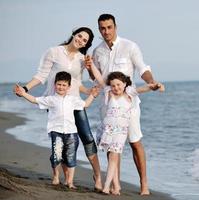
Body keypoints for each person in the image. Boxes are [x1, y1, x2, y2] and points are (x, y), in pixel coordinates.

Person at [14, 27, 104, 191]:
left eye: (85, 40)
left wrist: (90, 91)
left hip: (74, 102)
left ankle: (97, 175)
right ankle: (67, 178)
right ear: (74, 34)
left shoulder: (82, 59)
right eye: (80, 36)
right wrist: (26, 89)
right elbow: (41, 76)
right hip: (55, 102)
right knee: (62, 138)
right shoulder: (53, 52)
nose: (81, 40)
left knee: (87, 137)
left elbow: (77, 83)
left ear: (86, 44)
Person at [85, 14, 165, 195]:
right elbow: (95, 77)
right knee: (112, 144)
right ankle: (115, 185)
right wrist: (89, 67)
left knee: (135, 142)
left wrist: (151, 82)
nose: (106, 31)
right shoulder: (98, 51)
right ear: (99, 29)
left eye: (109, 27)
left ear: (115, 27)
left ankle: (144, 184)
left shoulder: (130, 46)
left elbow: (143, 69)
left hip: (129, 104)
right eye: (102, 28)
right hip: (108, 105)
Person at [14, 71, 100, 189]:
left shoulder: (72, 99)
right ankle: (56, 176)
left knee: (70, 156)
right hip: (56, 131)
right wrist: (23, 93)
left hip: (71, 133)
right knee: (57, 155)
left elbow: (85, 105)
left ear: (69, 87)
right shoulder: (51, 99)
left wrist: (92, 95)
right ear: (55, 85)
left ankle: (70, 182)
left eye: (64, 85)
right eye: (59, 84)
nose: (61, 87)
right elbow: (35, 100)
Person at [96, 71, 163, 195]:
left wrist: (155, 86)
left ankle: (106, 186)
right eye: (113, 85)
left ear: (125, 84)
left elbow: (144, 89)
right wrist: (91, 65)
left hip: (120, 131)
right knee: (112, 155)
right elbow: (99, 78)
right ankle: (116, 187)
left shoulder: (129, 94)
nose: (116, 87)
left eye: (118, 85)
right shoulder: (109, 93)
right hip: (108, 129)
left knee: (114, 156)